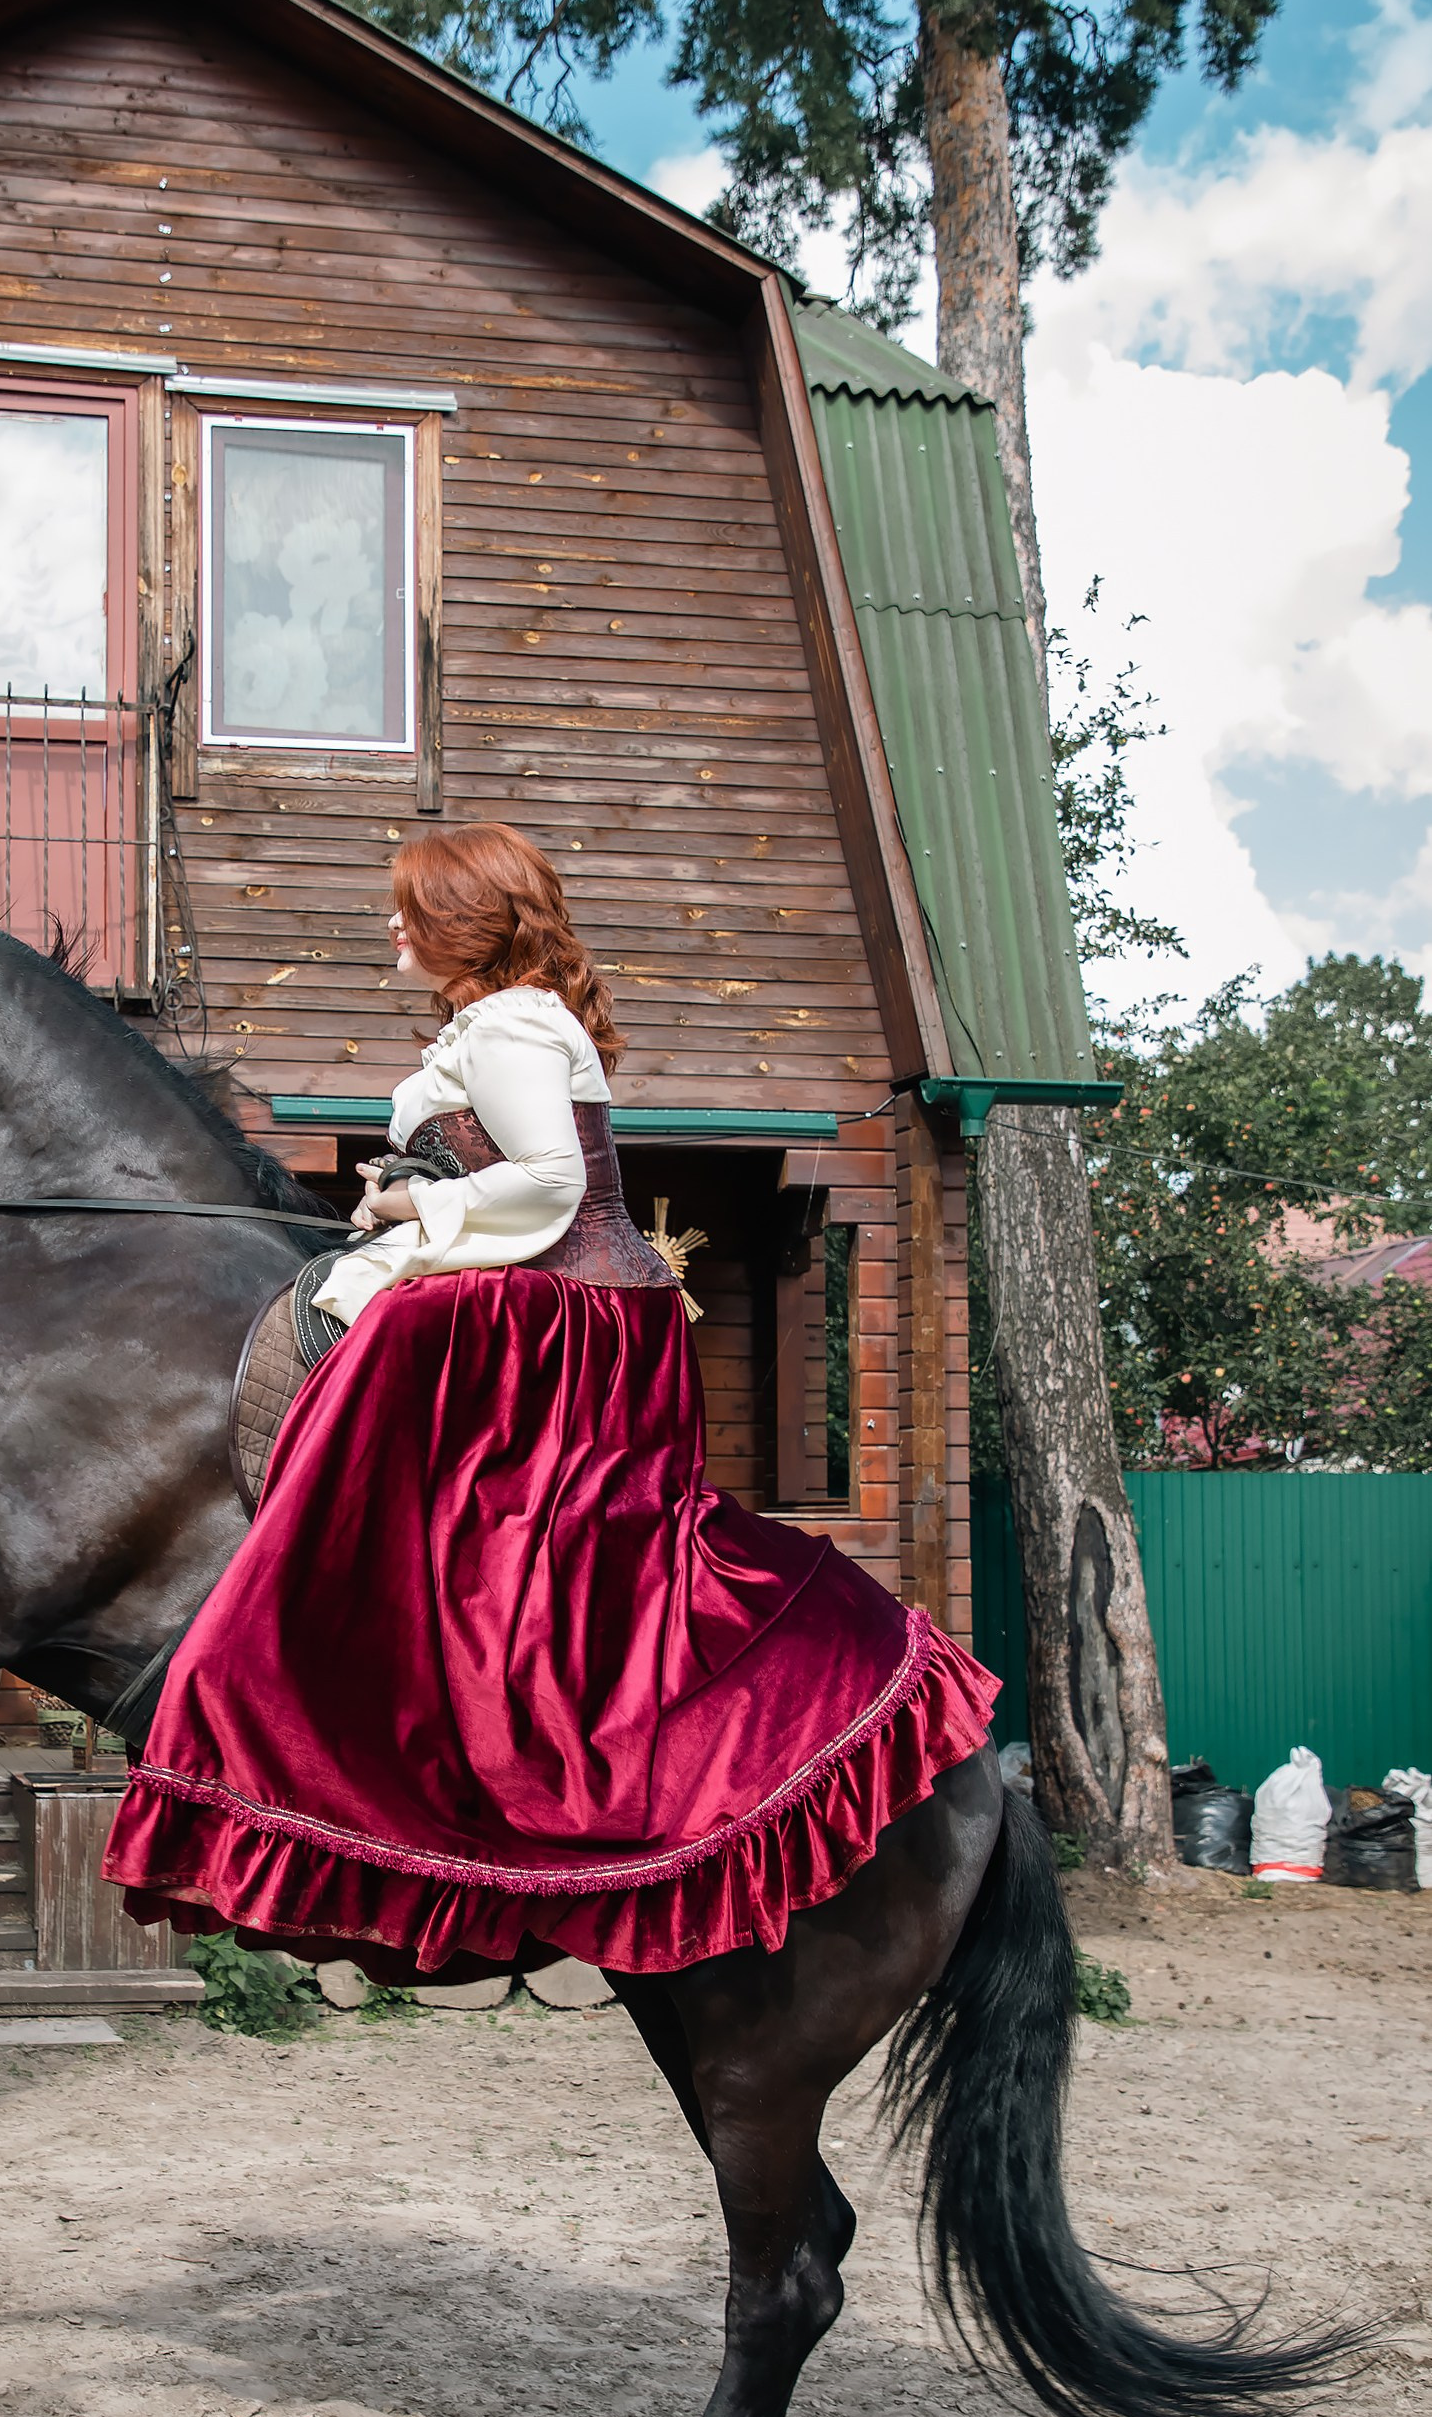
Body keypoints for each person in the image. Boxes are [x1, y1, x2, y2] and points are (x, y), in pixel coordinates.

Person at [104, 823, 997, 1979]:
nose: (390, 926)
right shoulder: (482, 1029)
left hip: (569, 1312)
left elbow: (551, 1181)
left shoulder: (519, 1022)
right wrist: (410, 1195)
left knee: (400, 1331)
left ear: (464, 921)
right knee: (373, 1319)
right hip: (544, 1295)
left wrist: (415, 1218)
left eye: (410, 908)